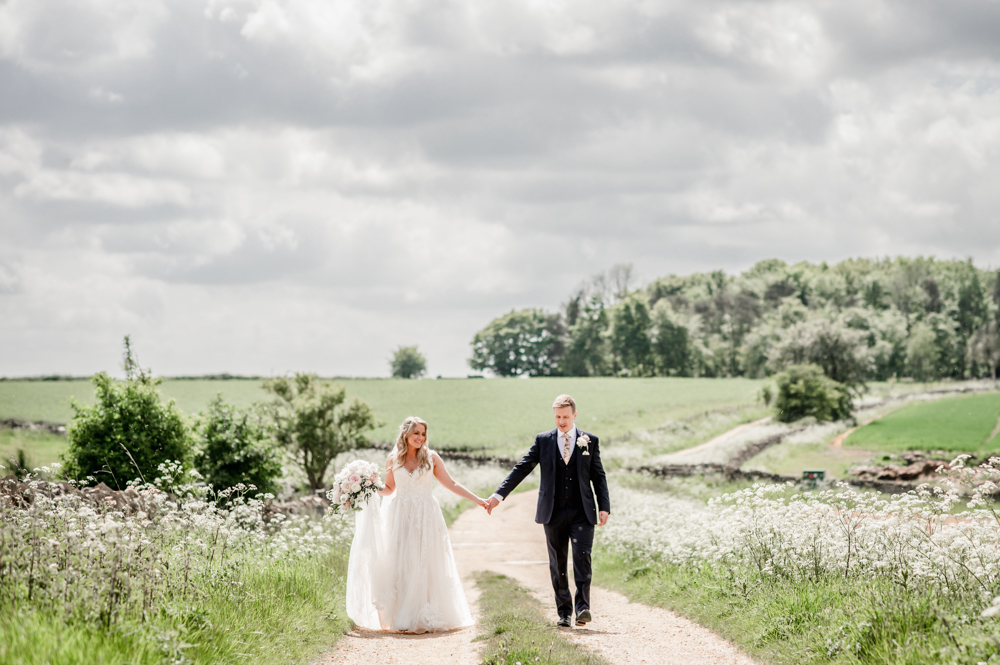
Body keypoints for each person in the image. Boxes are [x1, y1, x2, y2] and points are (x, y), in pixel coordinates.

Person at [347, 416, 485, 633]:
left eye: (423, 434)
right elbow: (389, 489)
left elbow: (451, 483)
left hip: (426, 515)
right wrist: (367, 486)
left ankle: (424, 615)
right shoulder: (393, 459)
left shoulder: (431, 457)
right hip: (400, 515)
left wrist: (477, 500)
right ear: (406, 434)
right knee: (402, 561)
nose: (420, 438)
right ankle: (403, 616)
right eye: (416, 433)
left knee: (425, 561)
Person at [485, 394, 610, 628]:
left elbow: (598, 476)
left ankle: (583, 608)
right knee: (558, 563)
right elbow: (522, 468)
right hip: (553, 512)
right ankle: (564, 612)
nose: (561, 421)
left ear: (574, 415)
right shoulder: (543, 440)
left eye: (565, 417)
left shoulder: (589, 441)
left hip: (582, 511)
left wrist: (604, 506)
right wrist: (499, 495)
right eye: (557, 417)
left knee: (582, 558)